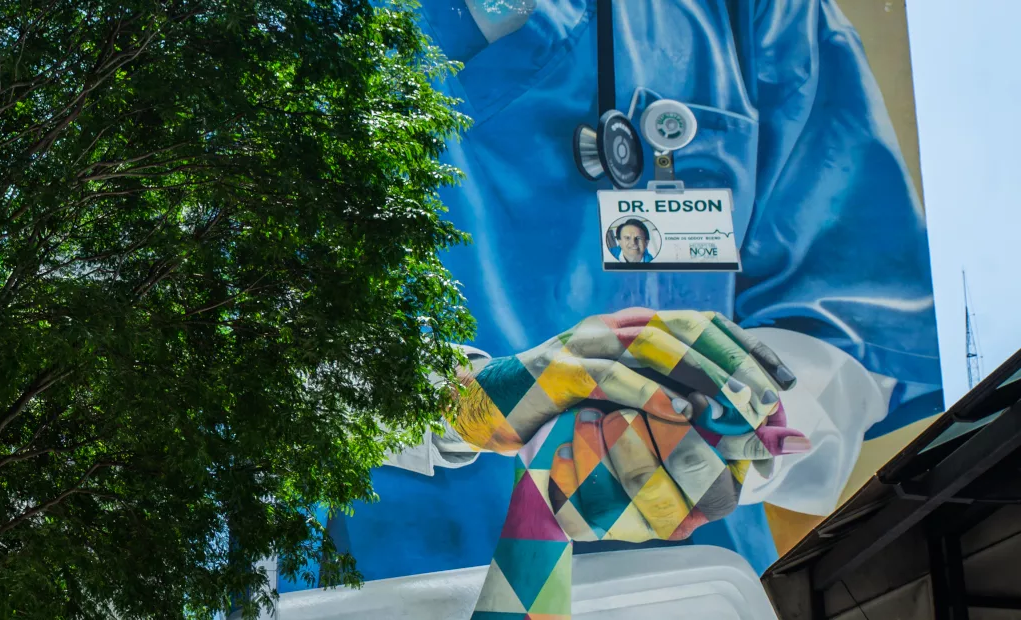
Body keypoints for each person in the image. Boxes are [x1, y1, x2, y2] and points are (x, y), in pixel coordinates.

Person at [285, 0, 944, 604]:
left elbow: (861, 320)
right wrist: (459, 399)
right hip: (374, 581)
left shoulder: (756, 16)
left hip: (685, 587)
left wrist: (737, 428)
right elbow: (217, 343)